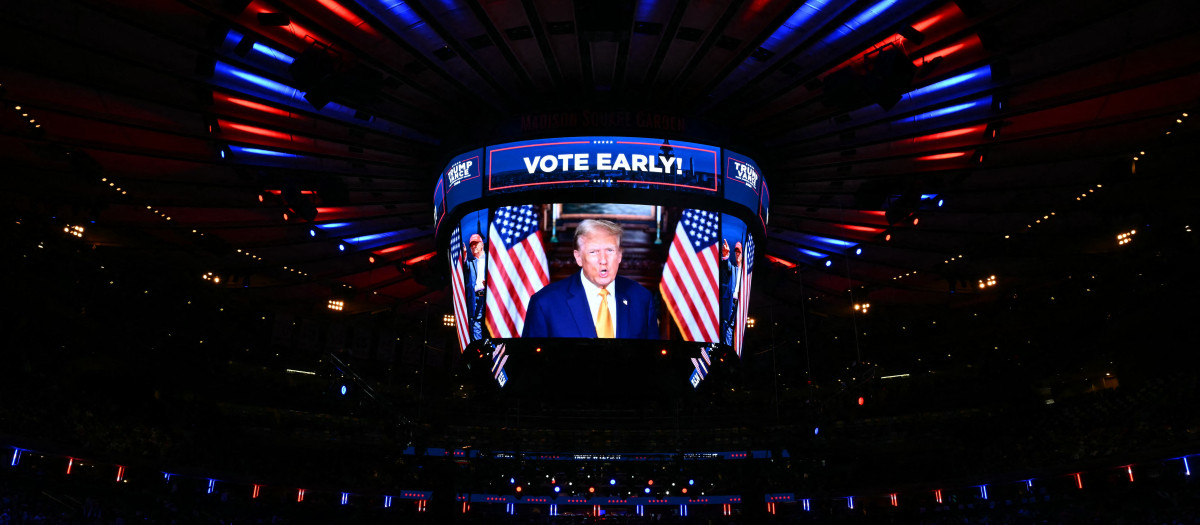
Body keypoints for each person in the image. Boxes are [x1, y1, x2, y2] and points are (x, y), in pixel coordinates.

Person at [522, 219, 658, 339]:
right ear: (578, 257)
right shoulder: (545, 303)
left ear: (619, 255)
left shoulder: (642, 298)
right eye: (594, 252)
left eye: (610, 250)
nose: (603, 260)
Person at [462, 233, 487, 341]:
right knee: (476, 323)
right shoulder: (471, 263)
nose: (473, 246)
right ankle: (479, 345)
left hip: (488, 296)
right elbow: (464, 265)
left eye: (476, 243)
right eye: (471, 245)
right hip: (476, 297)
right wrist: (463, 256)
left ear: (482, 245)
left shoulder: (491, 259)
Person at [719, 240, 742, 346]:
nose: (737, 254)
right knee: (727, 325)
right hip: (731, 302)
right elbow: (726, 265)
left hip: (740, 305)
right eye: (736, 252)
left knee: (736, 327)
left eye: (739, 252)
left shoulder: (746, 273)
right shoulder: (733, 269)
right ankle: (726, 347)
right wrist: (725, 255)